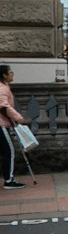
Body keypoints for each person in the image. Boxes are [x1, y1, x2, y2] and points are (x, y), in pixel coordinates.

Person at [0, 62, 27, 190]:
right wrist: (18, 118)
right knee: (9, 151)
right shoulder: (2, 88)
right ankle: (9, 180)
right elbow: (4, 107)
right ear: (5, 75)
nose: (12, 74)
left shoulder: (4, 86)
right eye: (10, 72)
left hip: (4, 123)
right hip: (1, 124)